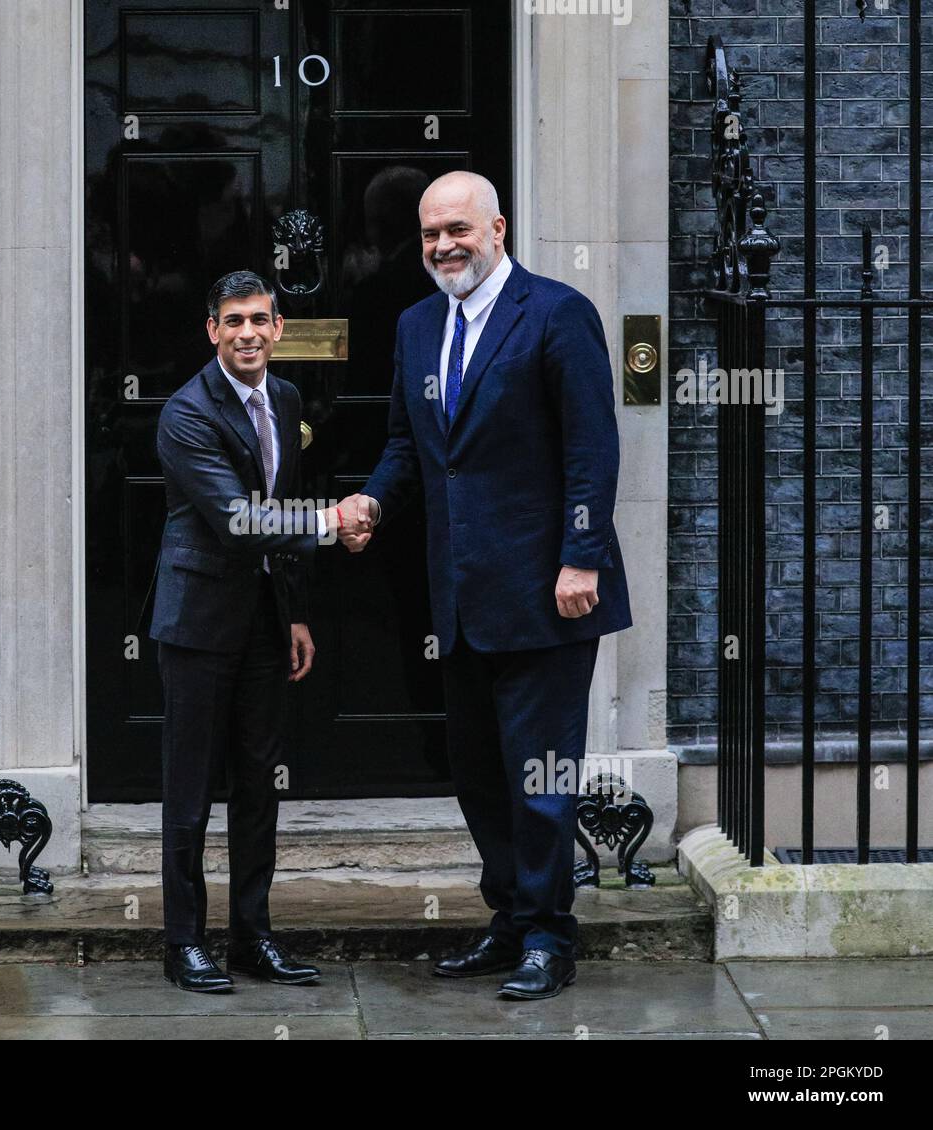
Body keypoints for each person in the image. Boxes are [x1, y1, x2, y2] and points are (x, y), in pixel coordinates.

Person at [345, 171, 632, 1000]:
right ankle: (508, 920)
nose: (443, 246)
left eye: (459, 230)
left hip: (548, 591)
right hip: (459, 596)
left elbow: (592, 446)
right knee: (477, 773)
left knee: (540, 773)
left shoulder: (555, 313)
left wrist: (581, 556)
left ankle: (550, 933)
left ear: (497, 228)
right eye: (432, 233)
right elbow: (410, 445)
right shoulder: (416, 325)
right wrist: (372, 499)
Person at [150, 269, 369, 991]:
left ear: (278, 329)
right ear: (212, 330)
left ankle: (252, 936)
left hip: (265, 625)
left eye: (260, 320)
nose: (248, 332)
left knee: (258, 786)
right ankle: (184, 942)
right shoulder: (186, 413)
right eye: (233, 320)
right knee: (189, 792)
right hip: (199, 624)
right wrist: (331, 527)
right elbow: (242, 522)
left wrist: (297, 610)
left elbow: (286, 501)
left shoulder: (285, 396)